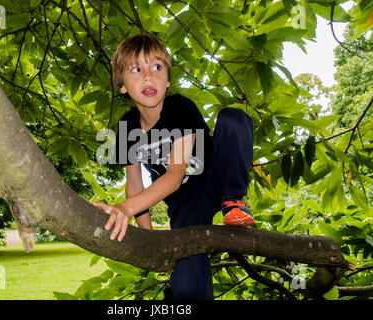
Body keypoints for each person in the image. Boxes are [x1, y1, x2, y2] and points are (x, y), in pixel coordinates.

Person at [93, 33, 254, 300]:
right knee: (188, 286)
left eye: (156, 67)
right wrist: (148, 239)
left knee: (233, 118)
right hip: (186, 203)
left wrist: (125, 209)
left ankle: (234, 200)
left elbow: (174, 175)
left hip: (216, 173)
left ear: (167, 82)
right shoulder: (126, 128)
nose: (148, 76)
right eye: (136, 69)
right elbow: (134, 186)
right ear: (122, 85)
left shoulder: (181, 107)